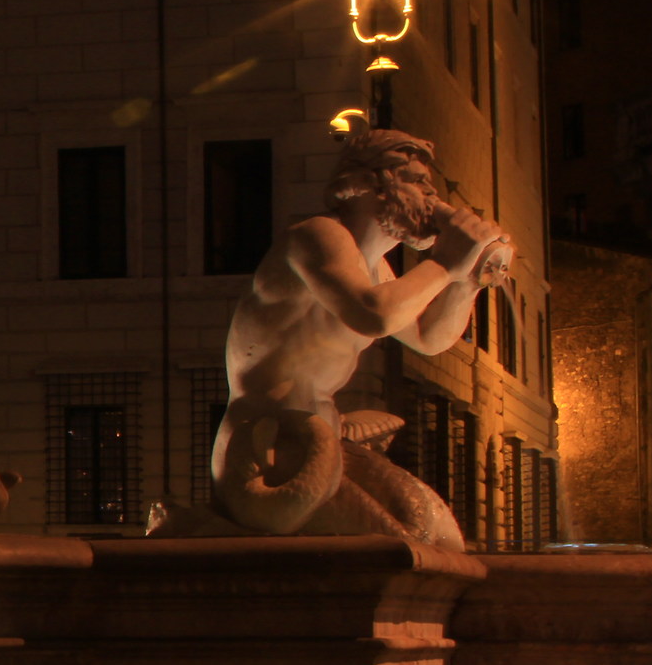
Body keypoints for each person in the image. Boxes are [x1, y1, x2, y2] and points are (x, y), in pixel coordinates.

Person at [196, 116, 509, 545]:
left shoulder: (376, 269)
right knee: (403, 544)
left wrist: (467, 279)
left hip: (322, 435)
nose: (433, 197)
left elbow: (429, 339)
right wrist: (444, 264)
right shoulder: (318, 236)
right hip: (266, 442)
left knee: (441, 536)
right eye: (419, 183)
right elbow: (372, 315)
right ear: (372, 186)